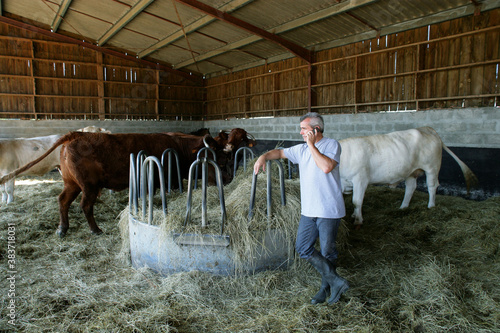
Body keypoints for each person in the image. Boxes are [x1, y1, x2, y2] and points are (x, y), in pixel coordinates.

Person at [253, 112, 349, 305]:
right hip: (309, 211)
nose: (300, 133)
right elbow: (279, 153)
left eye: (304, 129)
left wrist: (312, 145)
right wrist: (263, 157)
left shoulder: (331, 145)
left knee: (328, 252)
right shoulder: (301, 149)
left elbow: (326, 167)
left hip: (329, 210)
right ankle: (336, 281)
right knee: (303, 247)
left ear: (315, 130)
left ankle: (325, 289)